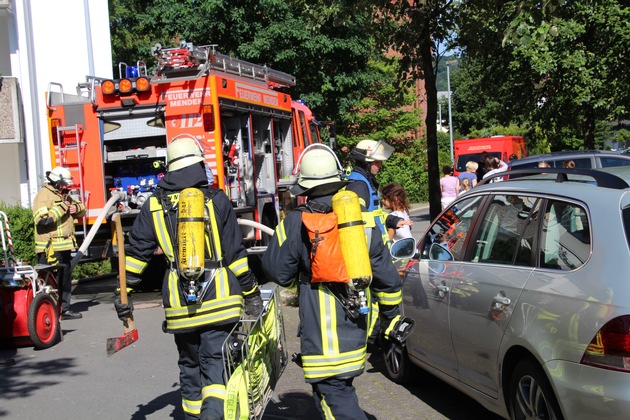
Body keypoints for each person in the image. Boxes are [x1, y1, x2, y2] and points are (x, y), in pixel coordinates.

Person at [115, 136, 263, 419]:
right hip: (220, 300)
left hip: (180, 305)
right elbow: (234, 254)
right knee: (215, 366)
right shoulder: (216, 199)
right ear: (198, 164)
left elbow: (136, 257)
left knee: (190, 365)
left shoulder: (153, 205)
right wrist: (251, 293)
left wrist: (124, 294)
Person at [262, 144, 405, 420]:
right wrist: (390, 320)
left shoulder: (296, 222)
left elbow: (277, 273)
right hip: (356, 327)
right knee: (337, 390)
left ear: (305, 186)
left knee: (334, 398)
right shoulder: (364, 222)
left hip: (319, 333)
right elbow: (388, 281)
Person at [33, 166, 86, 320]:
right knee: (49, 283)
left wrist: (74, 207)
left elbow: (82, 209)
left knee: (65, 281)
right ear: (56, 181)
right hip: (49, 249)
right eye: (63, 183)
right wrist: (62, 208)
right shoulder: (44, 196)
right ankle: (50, 311)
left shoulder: (63, 195)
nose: (66, 186)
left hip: (64, 247)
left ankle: (65, 310)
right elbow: (42, 221)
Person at [344, 139, 412, 245]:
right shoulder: (359, 185)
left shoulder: (365, 182)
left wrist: (392, 220)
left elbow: (374, 214)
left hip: (375, 249)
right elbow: (359, 220)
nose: (380, 165)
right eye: (376, 161)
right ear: (365, 162)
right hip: (371, 251)